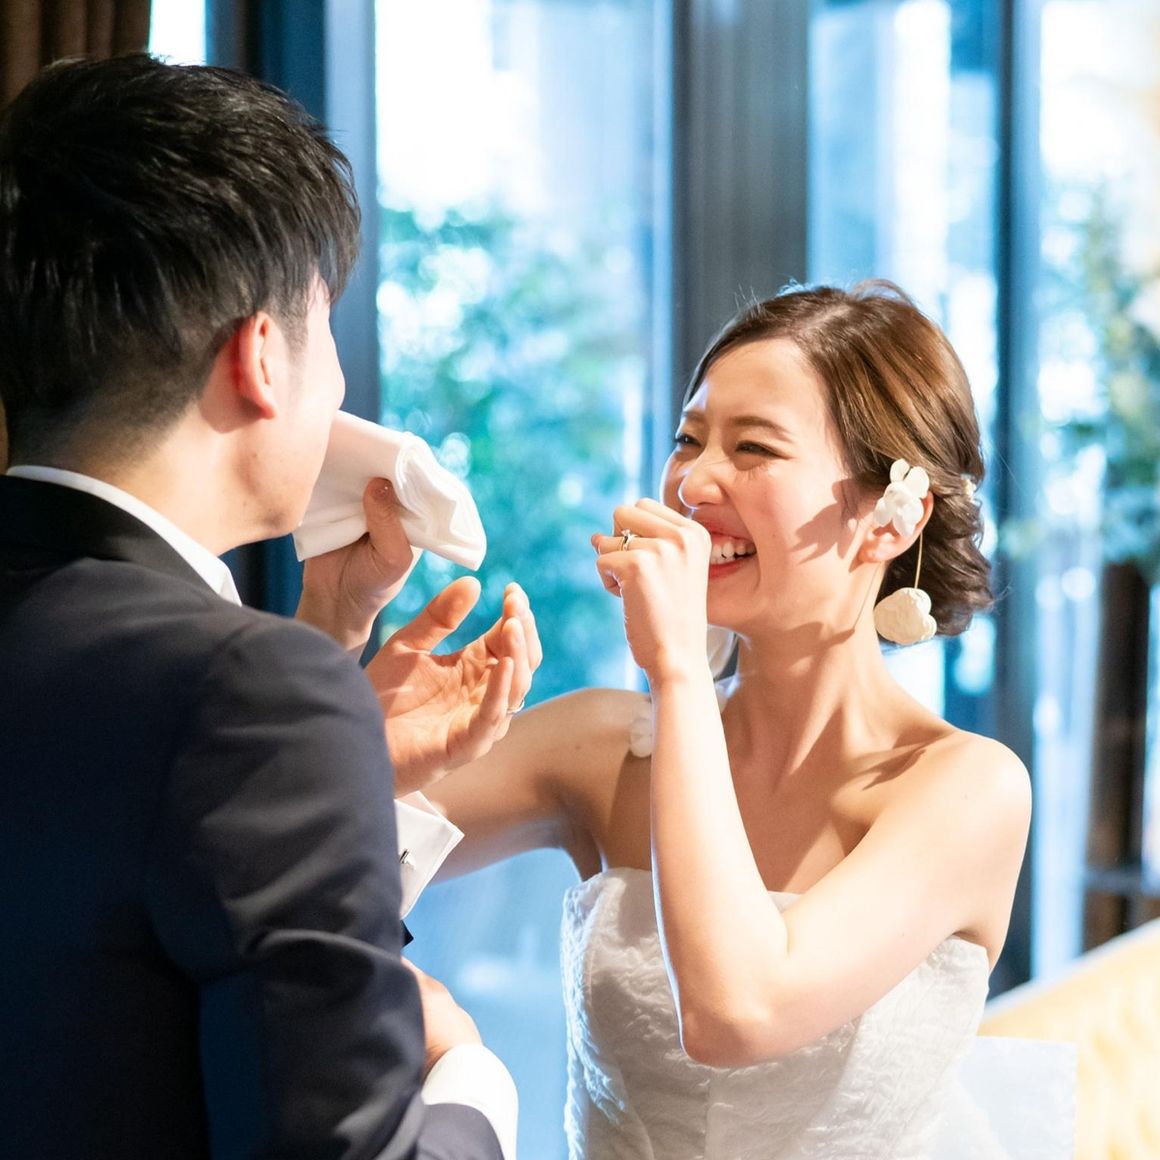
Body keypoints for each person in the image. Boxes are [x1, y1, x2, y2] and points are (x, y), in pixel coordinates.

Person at [0, 54, 540, 1159]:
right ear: (259, 357)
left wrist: (334, 684)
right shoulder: (249, 691)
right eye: (324, 332)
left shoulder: (239, 682)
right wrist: (474, 1082)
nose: (337, 387)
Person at [387, 281, 1066, 1157]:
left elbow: (736, 1012)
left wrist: (676, 667)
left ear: (888, 522)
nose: (693, 482)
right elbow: (289, 852)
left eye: (753, 448)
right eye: (689, 439)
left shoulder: (968, 790)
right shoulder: (601, 748)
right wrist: (344, 633)